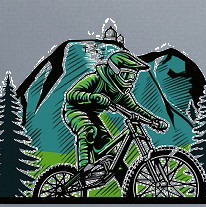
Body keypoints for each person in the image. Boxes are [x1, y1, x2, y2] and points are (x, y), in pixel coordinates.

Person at [59, 23, 162, 188]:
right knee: (88, 130)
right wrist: (95, 97)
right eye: (126, 74)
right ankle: (84, 166)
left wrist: (153, 120)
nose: (130, 80)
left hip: (92, 114)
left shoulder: (120, 92)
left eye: (133, 77)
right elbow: (71, 95)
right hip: (74, 110)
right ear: (114, 70)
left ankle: (128, 191)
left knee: (113, 155)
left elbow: (134, 108)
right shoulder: (96, 79)